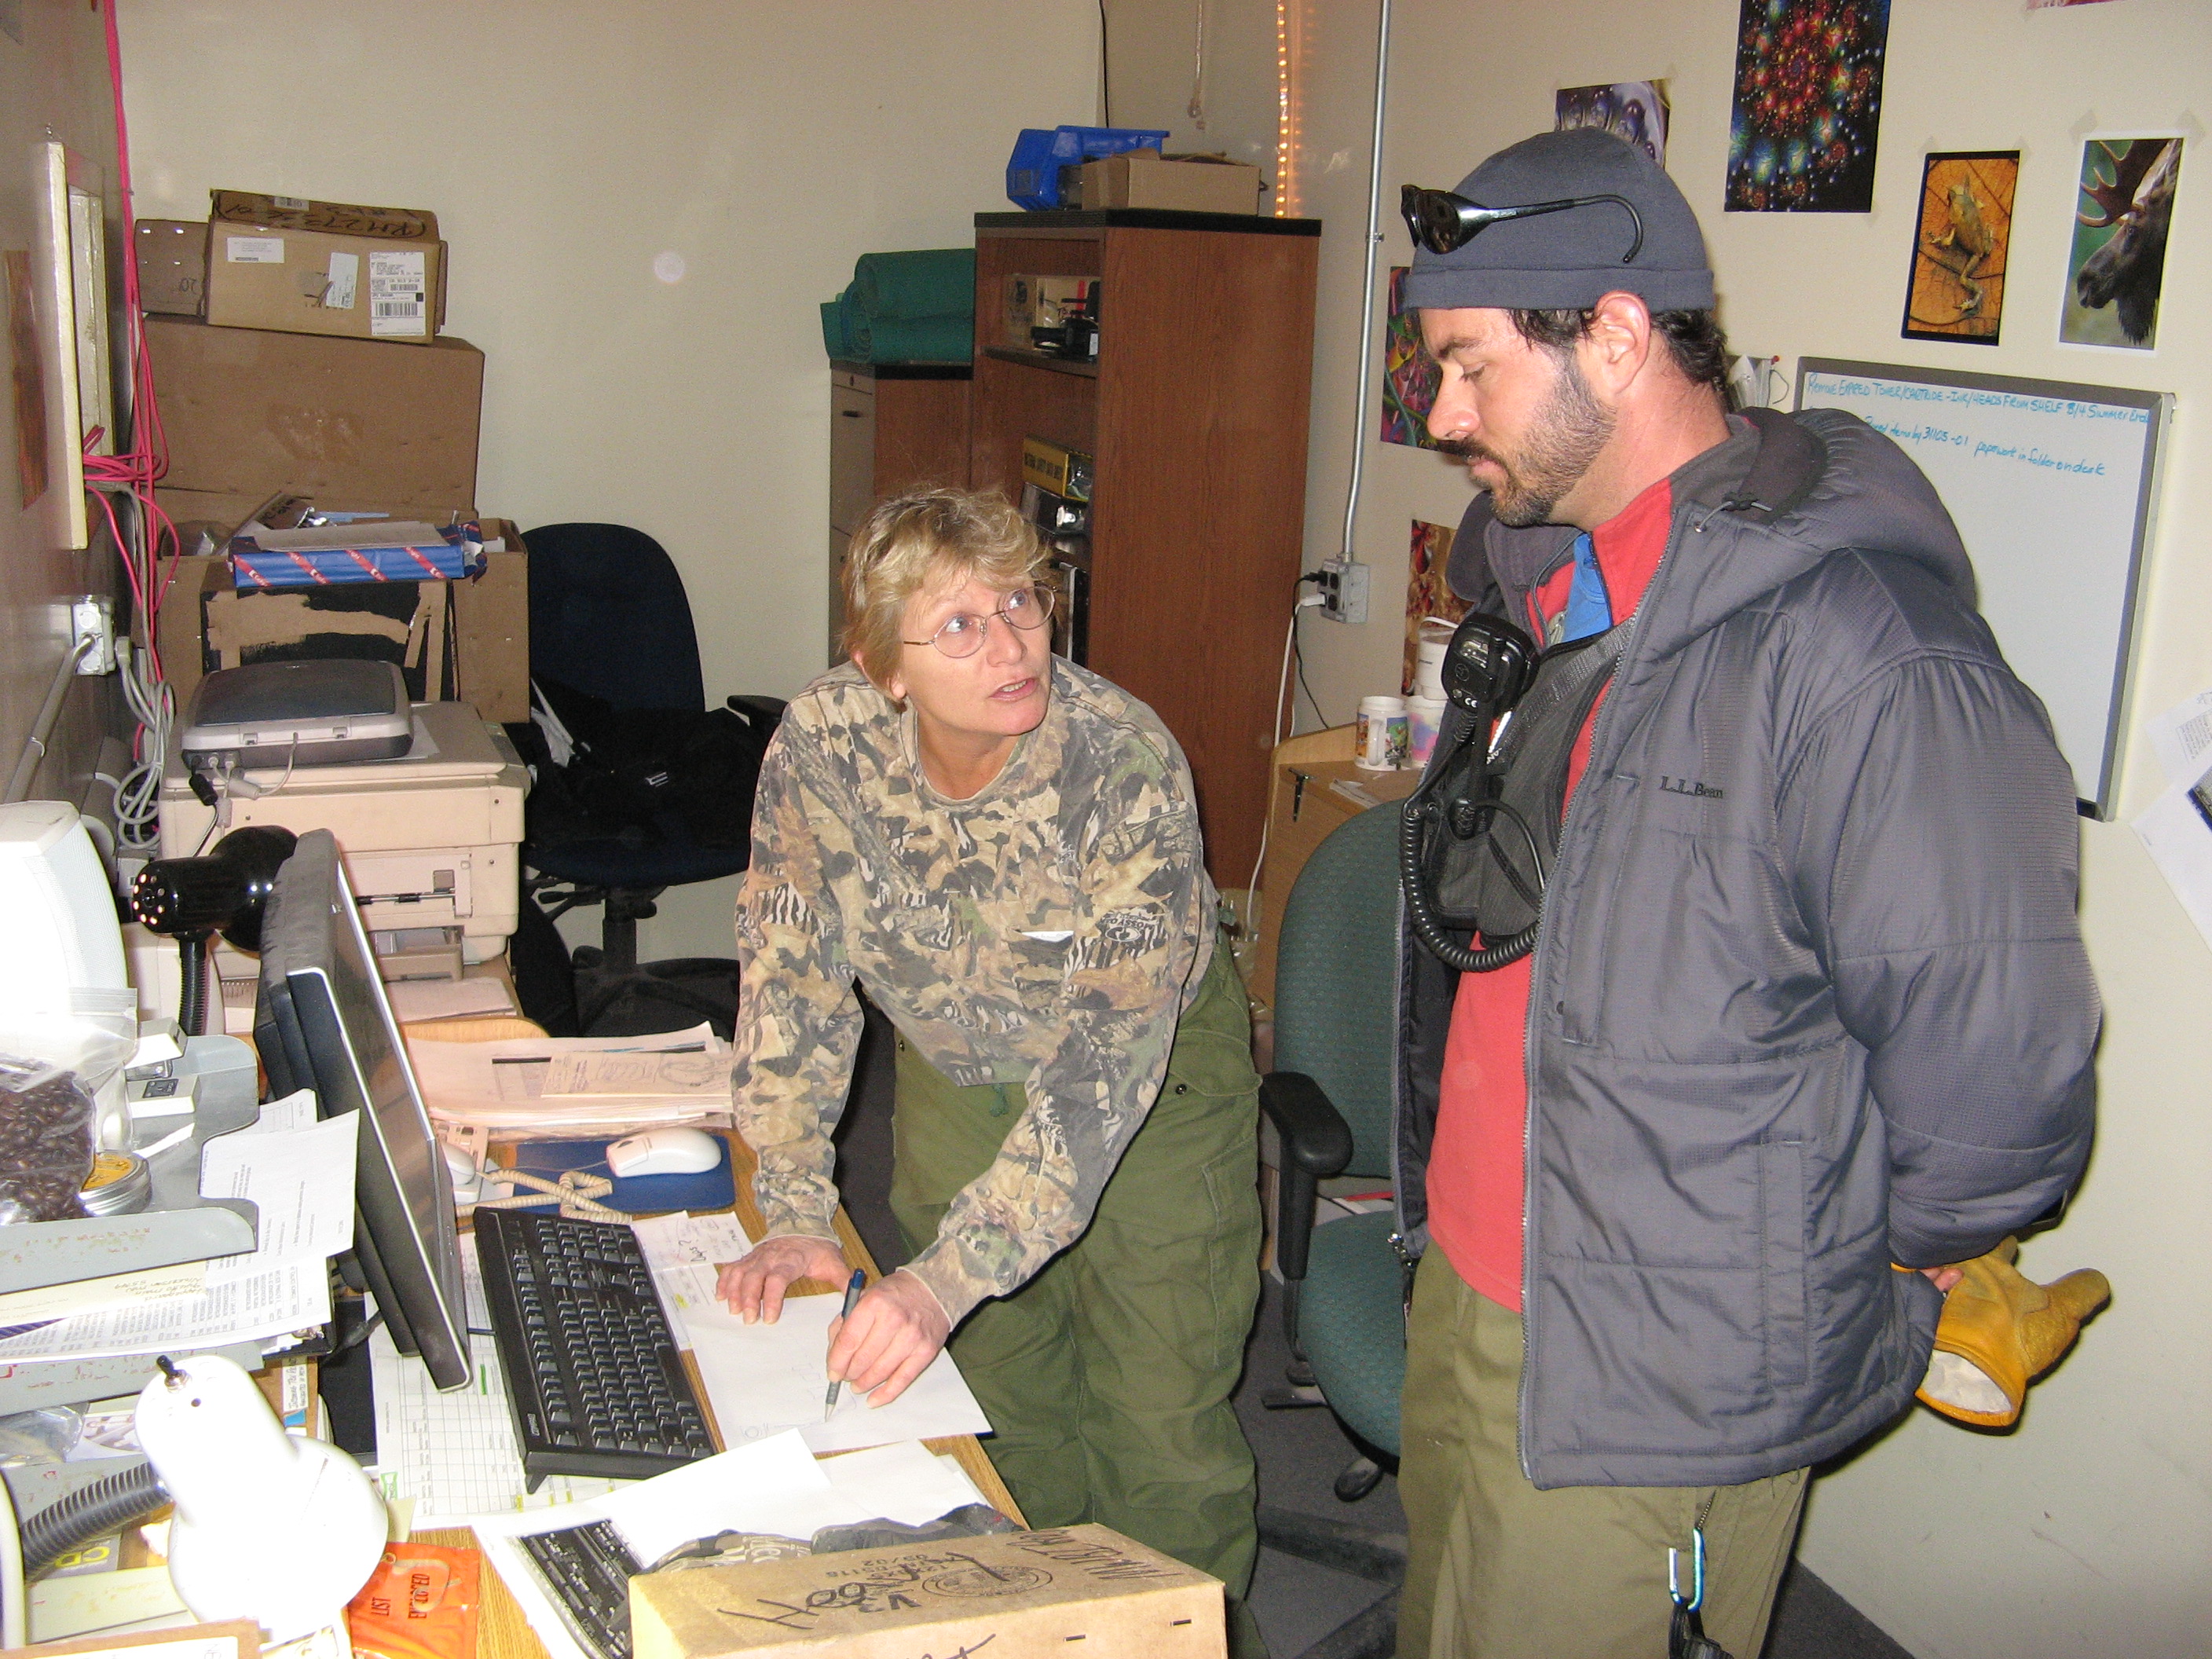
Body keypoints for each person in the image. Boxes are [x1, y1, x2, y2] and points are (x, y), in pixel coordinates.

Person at [1390, 127, 2099, 1658]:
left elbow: (2001, 1046)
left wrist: (1879, 1263)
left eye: (1469, 367)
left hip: (1661, 1360)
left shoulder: (1860, 655)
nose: (1441, 417)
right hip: (1473, 1279)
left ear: (1621, 336)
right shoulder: (1554, 578)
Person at [716, 488, 1266, 1654]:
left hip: (1149, 1072)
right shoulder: (825, 743)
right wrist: (798, 1206)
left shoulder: (1120, 761)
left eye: (1019, 602)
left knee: (1157, 1418)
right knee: (997, 1403)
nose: (1010, 644)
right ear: (882, 666)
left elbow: (1105, 1067)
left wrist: (942, 1274)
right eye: (957, 624)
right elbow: (792, 971)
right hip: (957, 1056)